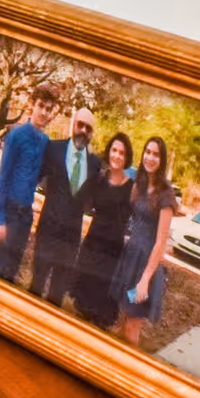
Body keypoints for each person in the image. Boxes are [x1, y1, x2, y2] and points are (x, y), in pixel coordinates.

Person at [110, 136, 179, 349]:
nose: (150, 157)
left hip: (146, 267)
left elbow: (160, 242)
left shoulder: (166, 195)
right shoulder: (139, 185)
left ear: (162, 159)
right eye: (147, 152)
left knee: (133, 327)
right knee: (122, 320)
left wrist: (145, 280)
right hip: (130, 258)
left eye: (155, 154)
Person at [30, 107, 99, 306]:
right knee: (36, 286)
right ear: (73, 125)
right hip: (47, 232)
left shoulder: (94, 164)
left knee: (56, 296)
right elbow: (34, 176)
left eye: (88, 128)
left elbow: (95, 200)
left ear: (92, 133)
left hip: (70, 240)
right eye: (80, 125)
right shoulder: (53, 149)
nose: (83, 130)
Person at [0, 84, 58, 281]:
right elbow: (3, 178)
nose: (44, 112)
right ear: (32, 105)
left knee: (11, 271)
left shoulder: (46, 142)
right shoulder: (16, 135)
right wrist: (0, 219)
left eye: (49, 108)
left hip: (25, 216)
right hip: (10, 211)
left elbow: (40, 175)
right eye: (41, 106)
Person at [70, 133, 135, 327]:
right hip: (92, 247)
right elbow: (79, 198)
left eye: (121, 153)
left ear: (127, 157)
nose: (117, 155)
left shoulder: (132, 188)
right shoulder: (98, 180)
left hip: (112, 254)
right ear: (109, 152)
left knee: (101, 316)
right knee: (82, 307)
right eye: (114, 150)